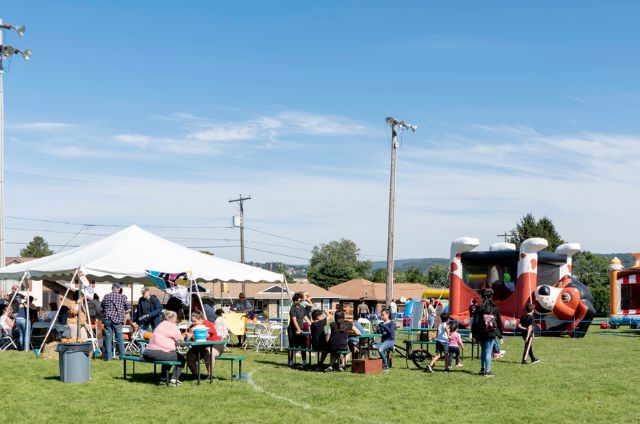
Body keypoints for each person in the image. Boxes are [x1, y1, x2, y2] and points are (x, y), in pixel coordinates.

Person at [143, 309, 185, 385]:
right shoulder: (173, 326)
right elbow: (180, 340)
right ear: (173, 318)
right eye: (176, 318)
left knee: (169, 355)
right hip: (158, 353)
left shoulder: (160, 324)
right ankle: (174, 380)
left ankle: (164, 378)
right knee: (181, 358)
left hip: (147, 353)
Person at [472, 288, 503, 378]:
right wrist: (500, 335)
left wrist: (474, 334)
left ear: (481, 296)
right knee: (488, 352)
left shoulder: (479, 308)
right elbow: (499, 322)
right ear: (491, 296)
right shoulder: (495, 308)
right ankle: (488, 371)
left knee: (483, 350)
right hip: (491, 332)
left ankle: (482, 369)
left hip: (480, 332)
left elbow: (475, 322)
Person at [186, 310, 223, 377]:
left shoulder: (207, 324)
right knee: (189, 355)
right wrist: (190, 335)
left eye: (195, 321)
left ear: (200, 319)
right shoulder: (192, 326)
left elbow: (205, 336)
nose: (193, 323)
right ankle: (195, 375)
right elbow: (190, 337)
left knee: (209, 352)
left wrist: (195, 333)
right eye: (192, 321)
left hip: (216, 345)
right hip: (200, 347)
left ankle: (210, 375)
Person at [101, 282, 128, 361]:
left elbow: (102, 307)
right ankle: (122, 357)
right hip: (118, 319)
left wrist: (105, 312)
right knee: (119, 339)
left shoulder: (106, 296)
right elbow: (128, 307)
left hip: (108, 318)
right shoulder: (122, 297)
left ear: (112, 288)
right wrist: (122, 312)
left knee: (108, 338)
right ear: (119, 289)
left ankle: (108, 358)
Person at [288, 292, 307, 368]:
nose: (301, 300)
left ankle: (304, 362)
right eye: (300, 298)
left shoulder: (302, 307)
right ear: (296, 300)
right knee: (292, 346)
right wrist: (298, 329)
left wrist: (312, 325)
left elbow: (306, 318)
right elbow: (294, 320)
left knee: (303, 346)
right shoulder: (293, 308)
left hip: (301, 330)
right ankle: (291, 361)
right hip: (292, 330)